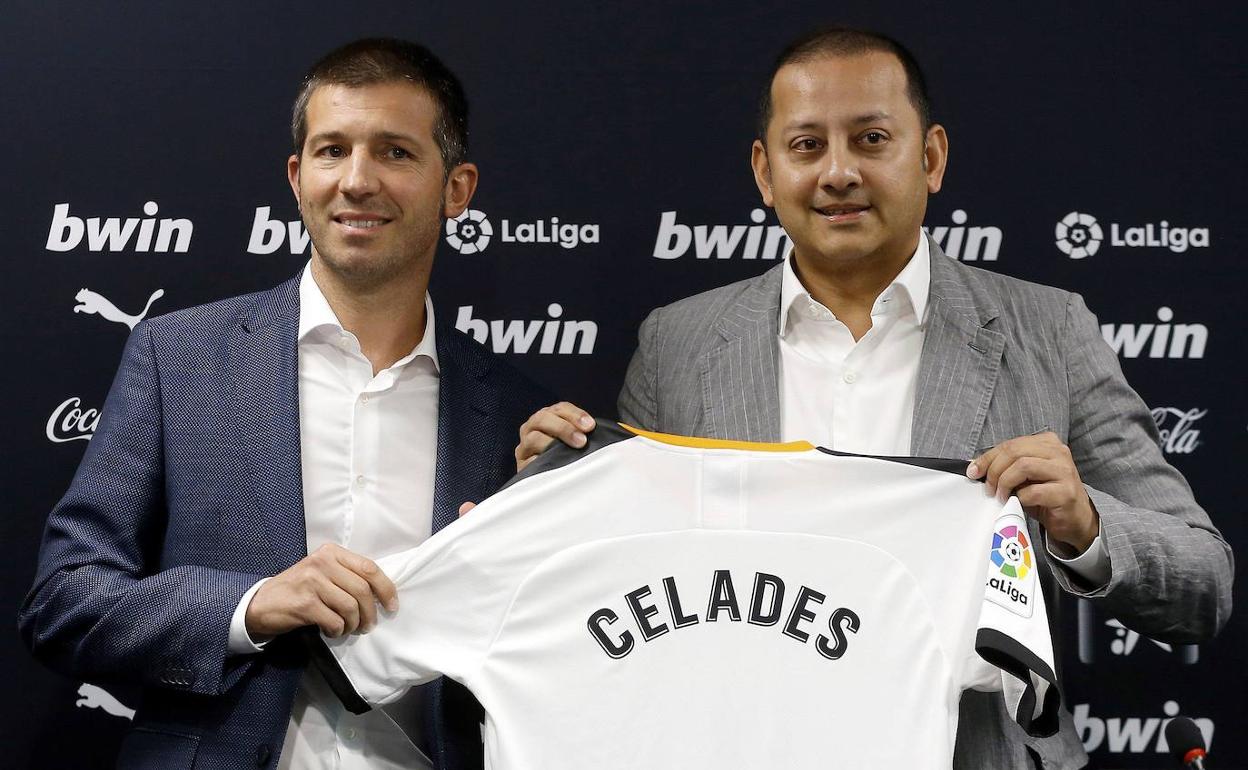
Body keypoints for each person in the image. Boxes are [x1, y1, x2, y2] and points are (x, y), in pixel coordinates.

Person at [515, 27, 1232, 770]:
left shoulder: (1049, 330)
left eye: (871, 138)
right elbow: (629, 583)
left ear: (930, 158)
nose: (838, 172)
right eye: (805, 146)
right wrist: (551, 497)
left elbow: (1203, 587)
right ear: (765, 173)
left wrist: (1084, 526)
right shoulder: (680, 344)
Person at [19, 38, 548, 770]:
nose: (357, 181)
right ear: (299, 178)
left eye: (395, 152)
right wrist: (251, 607)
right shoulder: (178, 358)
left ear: (456, 189)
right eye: (333, 151)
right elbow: (65, 603)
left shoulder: (517, 417)